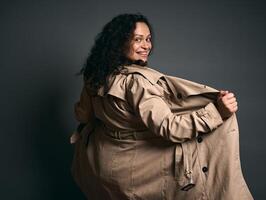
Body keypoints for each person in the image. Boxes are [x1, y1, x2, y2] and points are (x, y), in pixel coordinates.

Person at [70, 13, 253, 200]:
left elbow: (83, 115)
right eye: (138, 39)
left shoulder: (95, 76)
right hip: (135, 176)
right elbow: (170, 128)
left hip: (102, 166)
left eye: (148, 39)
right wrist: (216, 112)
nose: (146, 46)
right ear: (119, 43)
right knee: (197, 178)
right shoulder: (138, 83)